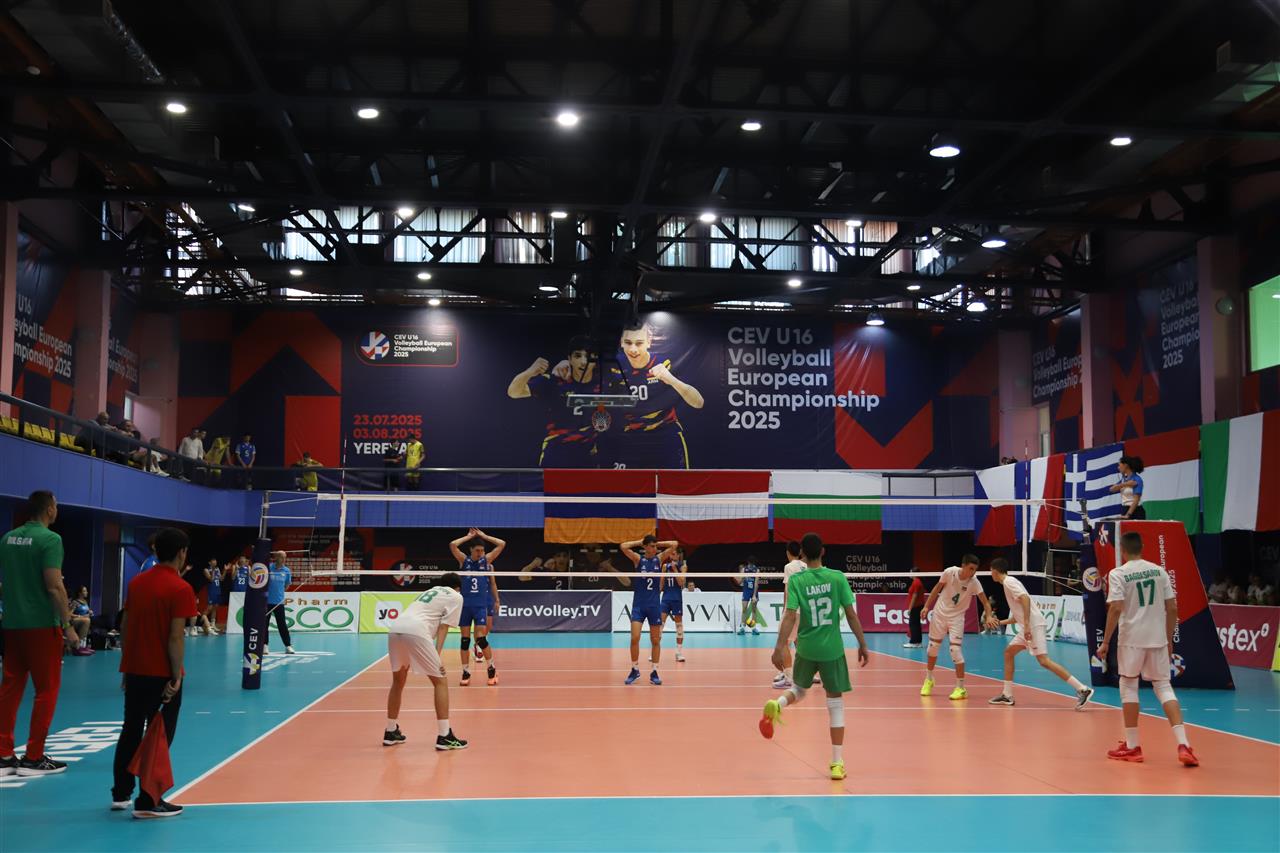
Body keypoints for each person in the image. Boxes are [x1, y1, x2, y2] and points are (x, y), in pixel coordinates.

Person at [760, 532, 870, 781]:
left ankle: (778, 705)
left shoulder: (797, 580)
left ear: (802, 555)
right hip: (831, 650)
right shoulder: (837, 577)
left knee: (799, 690)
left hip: (806, 648)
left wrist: (779, 647)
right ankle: (837, 763)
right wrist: (863, 643)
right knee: (835, 704)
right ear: (823, 551)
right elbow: (851, 614)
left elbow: (790, 615)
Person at [111, 527, 198, 817]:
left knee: (131, 729)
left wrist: (127, 667)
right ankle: (148, 800)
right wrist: (175, 676)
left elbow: (126, 627)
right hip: (162, 674)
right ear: (182, 553)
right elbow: (175, 637)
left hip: (136, 670)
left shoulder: (137, 583)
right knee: (158, 735)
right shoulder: (181, 589)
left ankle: (121, 792)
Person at [1097, 531, 1199, 766]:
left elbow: (1116, 608)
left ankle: (1133, 746)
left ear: (1122, 550)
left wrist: (1106, 641)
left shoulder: (1118, 573)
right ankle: (1184, 744)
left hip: (1132, 639)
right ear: (1142, 547)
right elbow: (1172, 608)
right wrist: (1168, 638)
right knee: (1163, 687)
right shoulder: (1159, 571)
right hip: (1157, 638)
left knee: (1128, 686)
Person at [0, 490, 78, 778]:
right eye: (56, 505)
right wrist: (68, 625)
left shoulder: (7, 539)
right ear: (49, 509)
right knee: (46, 690)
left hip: (12, 624)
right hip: (42, 626)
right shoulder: (50, 540)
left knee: (10, 688)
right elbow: (54, 586)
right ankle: (33, 757)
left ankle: (3, 755)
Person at [986, 558, 1093, 709]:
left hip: (1033, 626)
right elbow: (1016, 616)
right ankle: (1007, 694)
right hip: (1028, 626)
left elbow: (1025, 599)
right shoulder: (1008, 584)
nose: (991, 573)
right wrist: (999, 623)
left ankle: (1082, 689)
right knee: (1008, 653)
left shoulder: (1009, 582)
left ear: (995, 571)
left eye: (991, 571)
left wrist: (1027, 625)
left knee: (1044, 661)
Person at [383, 573, 468, 750]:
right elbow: (444, 627)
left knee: (398, 681)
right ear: (458, 587)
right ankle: (444, 736)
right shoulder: (456, 596)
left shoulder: (430, 591)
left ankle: (391, 731)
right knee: (440, 681)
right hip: (417, 630)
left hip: (395, 628)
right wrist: (437, 654)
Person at [604, 318, 704, 469]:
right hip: (630, 439)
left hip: (665, 436)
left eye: (639, 343)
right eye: (628, 343)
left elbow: (699, 402)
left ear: (649, 341)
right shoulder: (613, 366)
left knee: (676, 483)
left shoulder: (664, 364)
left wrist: (671, 380)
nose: (633, 350)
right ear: (621, 342)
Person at [510, 335, 599, 467]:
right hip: (556, 458)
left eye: (589, 356)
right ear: (569, 359)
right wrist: (530, 372)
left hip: (588, 461)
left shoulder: (603, 384)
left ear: (596, 359)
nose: (583, 362)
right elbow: (513, 392)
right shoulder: (554, 381)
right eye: (577, 356)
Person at [919, 555, 997, 700]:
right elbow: (937, 589)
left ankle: (960, 688)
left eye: (975, 570)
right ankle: (929, 679)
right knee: (932, 648)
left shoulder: (974, 582)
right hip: (940, 614)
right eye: (971, 569)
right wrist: (926, 606)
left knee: (955, 650)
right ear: (963, 566)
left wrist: (989, 616)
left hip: (956, 618)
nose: (973, 572)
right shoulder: (949, 572)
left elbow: (986, 603)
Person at [448, 529, 505, 687]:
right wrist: (468, 537)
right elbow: (452, 545)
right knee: (465, 640)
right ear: (471, 550)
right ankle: (466, 672)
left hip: (479, 606)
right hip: (465, 606)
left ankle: (491, 668)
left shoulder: (486, 561)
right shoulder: (464, 561)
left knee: (480, 638)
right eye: (477, 550)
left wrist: (484, 536)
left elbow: (502, 544)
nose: (480, 553)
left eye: (482, 550)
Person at [620, 535, 677, 685]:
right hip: (639, 606)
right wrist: (640, 542)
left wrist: (658, 543)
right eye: (651, 546)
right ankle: (634, 669)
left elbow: (674, 544)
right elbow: (623, 546)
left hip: (654, 606)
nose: (654, 548)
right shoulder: (638, 560)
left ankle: (654, 672)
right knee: (634, 638)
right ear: (645, 547)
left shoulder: (659, 559)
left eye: (655, 546)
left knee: (655, 640)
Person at [774, 541, 807, 687]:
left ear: (788, 552)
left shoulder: (788, 567)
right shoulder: (806, 566)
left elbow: (787, 589)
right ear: (800, 552)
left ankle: (788, 677)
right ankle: (807, 673)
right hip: (805, 610)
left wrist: (785, 609)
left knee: (783, 642)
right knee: (799, 641)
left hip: (792, 609)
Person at [661, 547, 688, 663]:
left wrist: (675, 569)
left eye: (674, 554)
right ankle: (654, 651)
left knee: (679, 627)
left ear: (678, 555)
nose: (671, 556)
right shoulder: (664, 566)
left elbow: (681, 582)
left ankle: (679, 653)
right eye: (670, 554)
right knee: (659, 625)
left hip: (677, 599)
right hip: (665, 599)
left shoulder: (683, 567)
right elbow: (661, 583)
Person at [263, 551, 294, 655]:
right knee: (264, 624)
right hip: (266, 602)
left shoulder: (286, 571)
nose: (284, 559)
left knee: (282, 625)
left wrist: (279, 593)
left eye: (285, 557)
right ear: (276, 557)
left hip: (279, 602)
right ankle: (265, 645)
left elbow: (287, 585)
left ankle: (288, 646)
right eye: (281, 557)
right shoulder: (268, 568)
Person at [1109, 455, 1146, 520]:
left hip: (1135, 511)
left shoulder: (1137, 479)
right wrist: (1126, 484)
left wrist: (1128, 515)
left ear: (1125, 465)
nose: (1118, 467)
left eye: (1119, 465)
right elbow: (1111, 489)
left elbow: (1136, 500)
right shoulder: (1124, 479)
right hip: (1125, 509)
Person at [736, 557, 761, 635]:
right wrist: (742, 577)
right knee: (744, 609)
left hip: (753, 591)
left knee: (754, 610)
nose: (751, 565)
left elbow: (756, 583)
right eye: (750, 563)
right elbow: (739, 582)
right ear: (748, 563)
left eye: (752, 563)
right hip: (746, 591)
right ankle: (742, 628)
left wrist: (754, 595)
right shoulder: (744, 569)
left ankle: (754, 628)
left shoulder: (757, 570)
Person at [903, 566, 926, 649]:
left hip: (916, 607)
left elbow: (915, 596)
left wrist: (910, 608)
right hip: (918, 606)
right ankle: (918, 642)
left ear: (914, 573)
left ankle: (914, 642)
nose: (909, 574)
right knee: (916, 624)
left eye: (910, 572)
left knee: (913, 624)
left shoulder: (916, 582)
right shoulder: (917, 581)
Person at [68, 585, 95, 655]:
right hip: (74, 621)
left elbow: (87, 611)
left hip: (84, 620)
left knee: (88, 620)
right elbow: (69, 614)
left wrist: (90, 612)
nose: (87, 592)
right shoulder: (75, 602)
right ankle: (79, 647)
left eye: (86, 591)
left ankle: (83, 646)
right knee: (86, 620)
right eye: (84, 591)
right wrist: (80, 616)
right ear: (79, 593)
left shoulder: (85, 602)